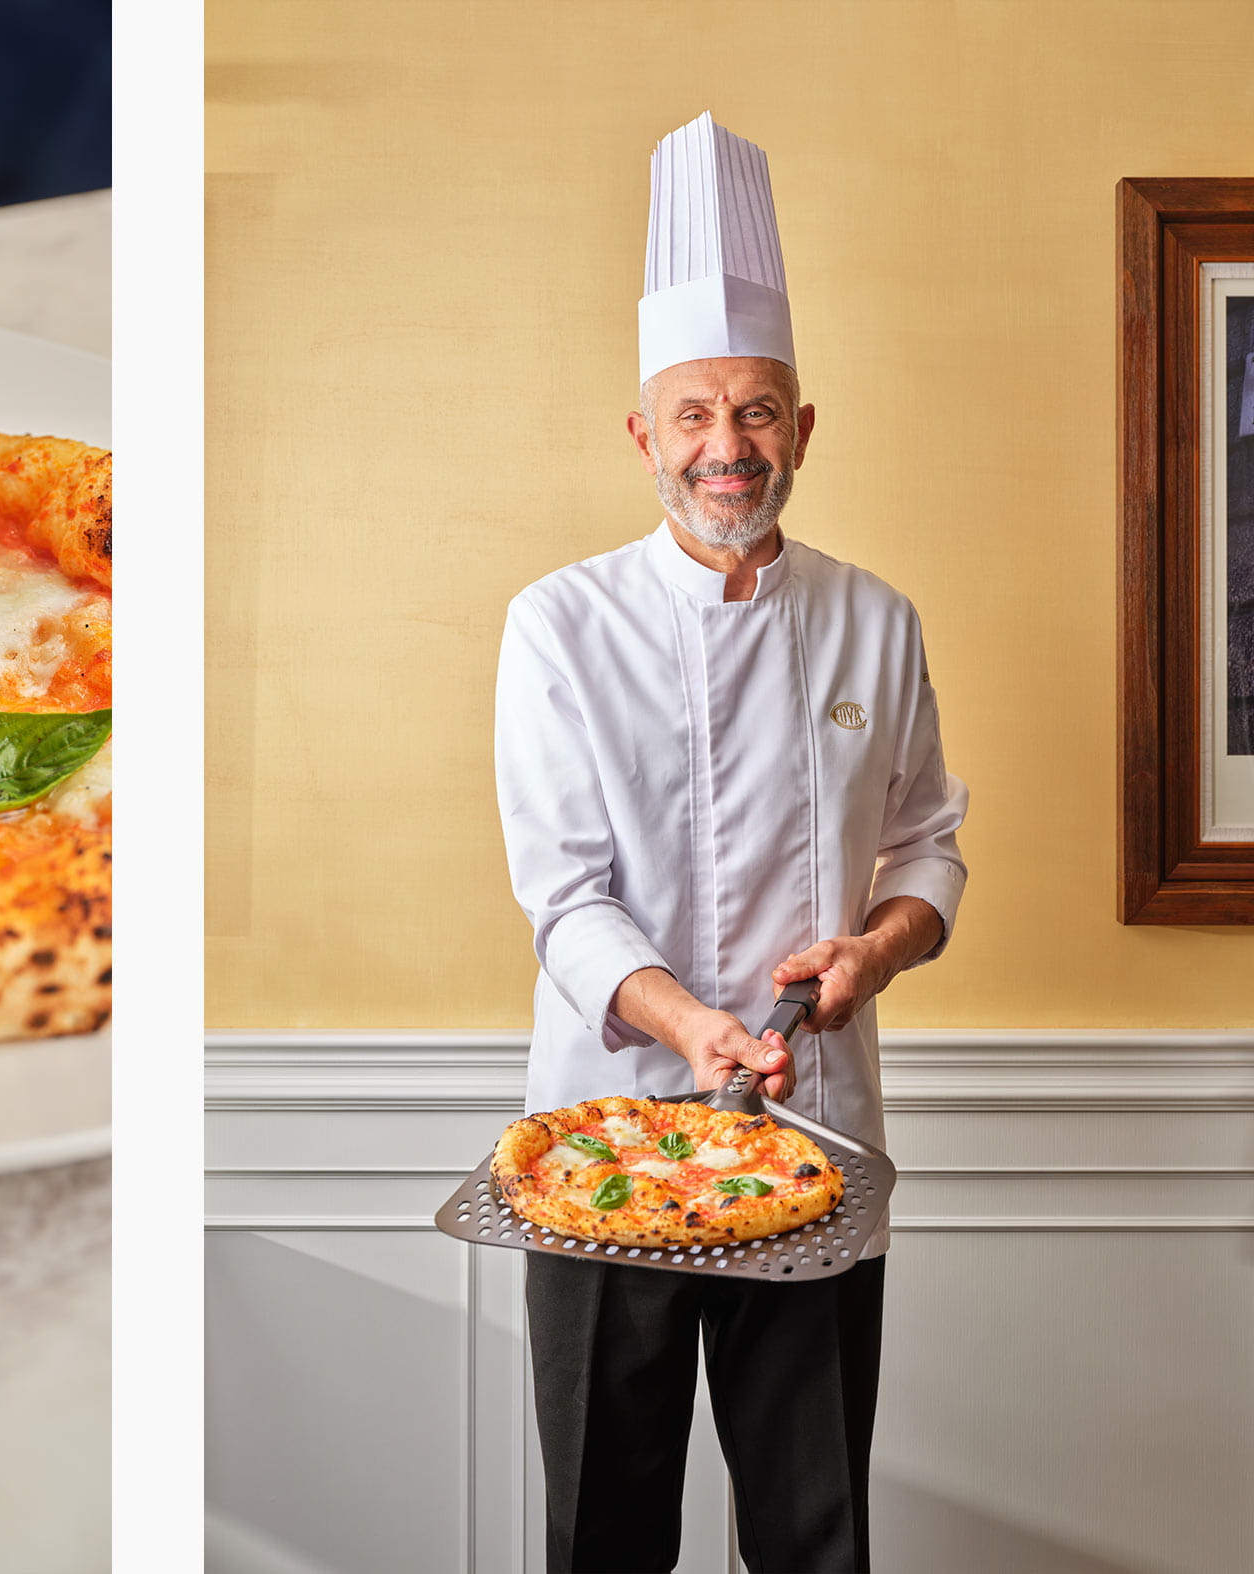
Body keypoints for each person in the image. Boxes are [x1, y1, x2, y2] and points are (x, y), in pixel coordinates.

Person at [492, 112, 968, 1574]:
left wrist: (872, 952)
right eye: (693, 415)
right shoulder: (559, 624)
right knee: (604, 1533)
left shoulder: (877, 621)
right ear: (645, 435)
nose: (726, 447)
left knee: (817, 1534)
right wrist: (698, 1025)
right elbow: (562, 898)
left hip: (813, 1138)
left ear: (802, 429)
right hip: (612, 1136)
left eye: (756, 412)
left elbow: (933, 851)